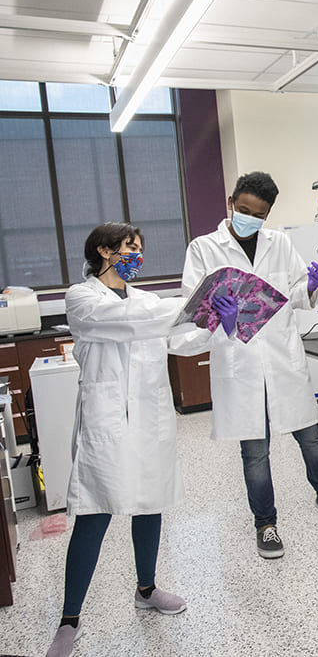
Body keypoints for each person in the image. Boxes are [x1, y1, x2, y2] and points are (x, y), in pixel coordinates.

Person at [178, 171, 318, 560]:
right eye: (242, 209)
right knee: (255, 451)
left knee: (311, 437)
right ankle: (265, 524)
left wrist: (312, 286)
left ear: (268, 215)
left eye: (258, 214)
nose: (248, 217)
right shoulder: (202, 248)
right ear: (231, 202)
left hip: (282, 359)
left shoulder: (279, 243)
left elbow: (295, 294)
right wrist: (222, 322)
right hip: (239, 361)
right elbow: (192, 310)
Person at [47, 223, 190, 657]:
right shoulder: (82, 297)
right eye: (130, 248)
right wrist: (189, 307)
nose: (137, 256)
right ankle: (69, 620)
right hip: (107, 423)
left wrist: (213, 318)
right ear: (103, 250)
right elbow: (124, 323)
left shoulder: (149, 301)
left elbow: (181, 341)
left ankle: (145, 590)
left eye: (140, 249)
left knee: (149, 504)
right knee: (95, 515)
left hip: (149, 419)